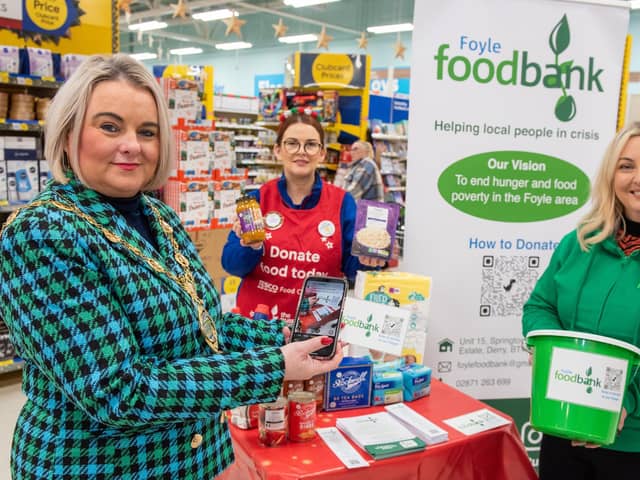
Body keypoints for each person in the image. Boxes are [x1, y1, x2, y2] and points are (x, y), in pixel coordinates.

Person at [0, 54, 344, 480]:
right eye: (110, 127)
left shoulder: (158, 217)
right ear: (69, 131)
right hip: (96, 465)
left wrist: (284, 335)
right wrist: (273, 365)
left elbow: (203, 326)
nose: (133, 145)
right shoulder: (44, 233)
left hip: (193, 459)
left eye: (148, 132)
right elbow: (118, 392)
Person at [521, 122, 640, 479]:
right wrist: (551, 352)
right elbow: (539, 306)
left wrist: (627, 399)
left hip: (632, 443)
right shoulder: (581, 242)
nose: (637, 178)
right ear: (610, 174)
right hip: (562, 425)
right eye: (627, 165)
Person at [222, 113, 385, 321]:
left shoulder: (342, 203)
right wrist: (251, 246)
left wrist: (368, 260)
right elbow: (231, 265)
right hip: (258, 330)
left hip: (316, 329)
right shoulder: (257, 199)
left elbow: (352, 269)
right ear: (278, 150)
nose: (301, 151)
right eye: (292, 143)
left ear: (322, 153)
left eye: (311, 145)